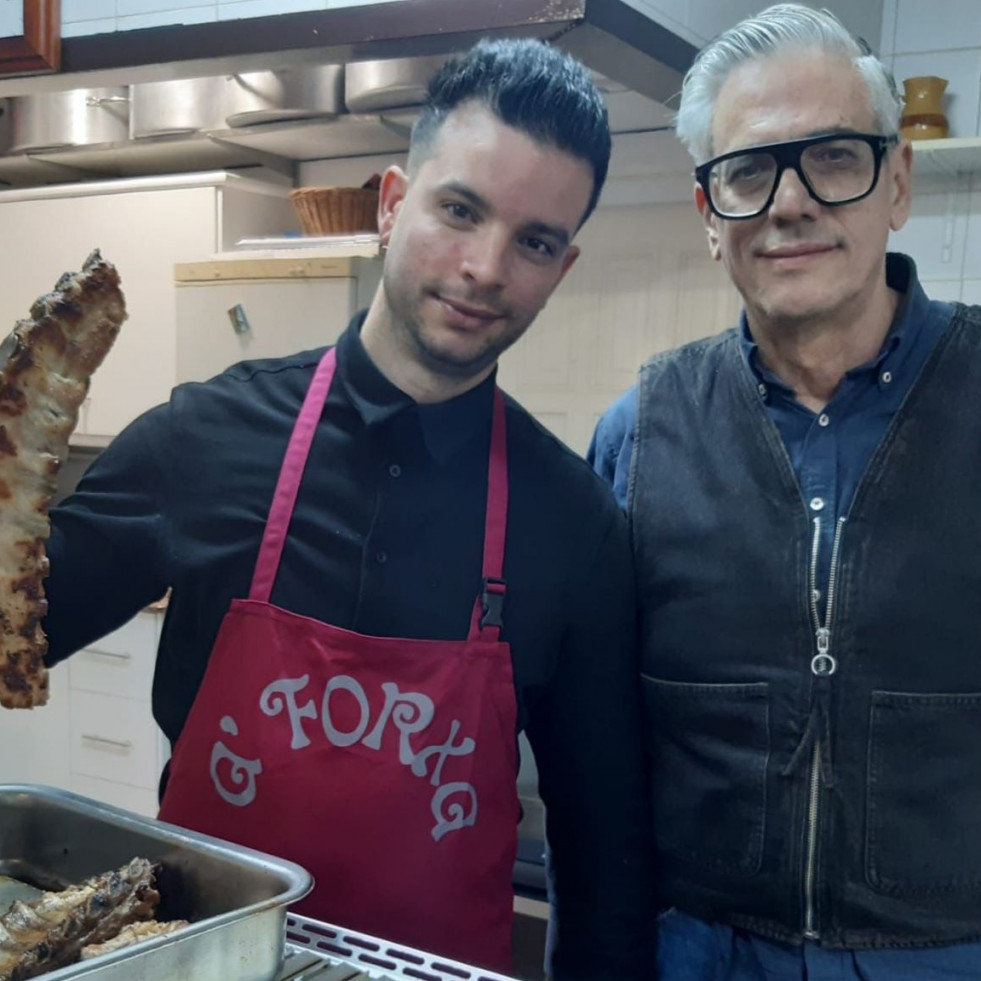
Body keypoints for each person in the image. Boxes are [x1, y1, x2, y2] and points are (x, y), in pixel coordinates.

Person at [43, 38, 651, 979]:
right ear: (393, 202)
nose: (486, 267)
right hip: (201, 964)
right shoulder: (204, 438)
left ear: (560, 266)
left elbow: (602, 846)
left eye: (532, 241)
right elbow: (17, 622)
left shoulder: (575, 524)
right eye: (459, 209)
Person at [590, 4, 981, 979]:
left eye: (835, 158)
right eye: (748, 172)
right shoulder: (641, 432)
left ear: (897, 183)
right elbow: (596, 747)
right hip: (695, 953)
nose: (790, 203)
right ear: (707, 216)